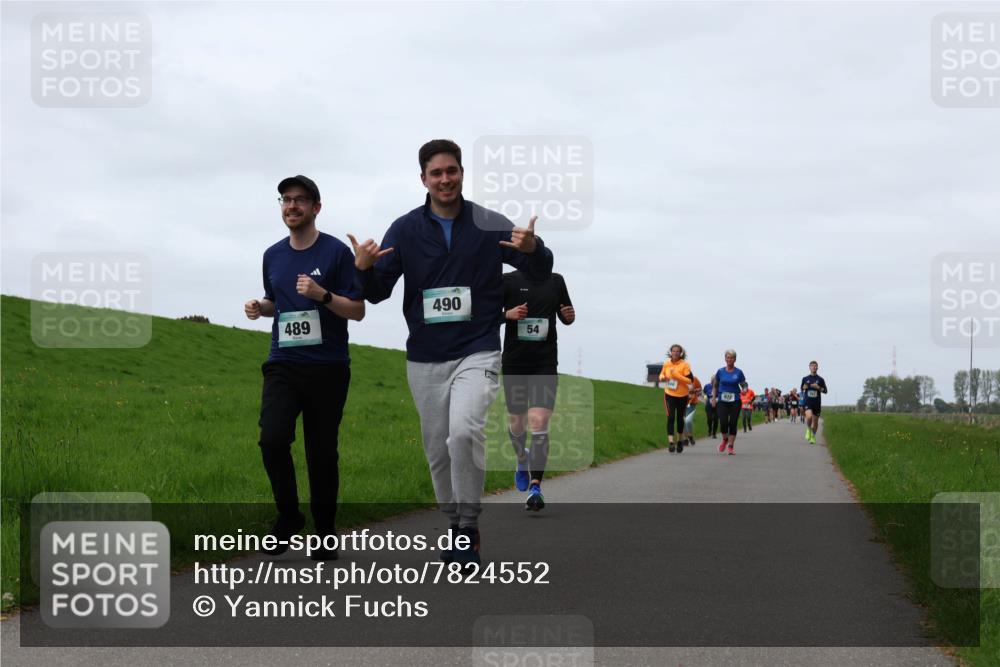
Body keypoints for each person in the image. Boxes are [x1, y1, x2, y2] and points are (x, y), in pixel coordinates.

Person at [350, 139, 553, 566]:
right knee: (438, 451)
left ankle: (468, 529)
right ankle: (455, 525)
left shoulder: (487, 223)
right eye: (436, 173)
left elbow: (540, 271)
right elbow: (377, 292)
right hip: (424, 357)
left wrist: (535, 249)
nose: (445, 179)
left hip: (476, 349)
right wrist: (363, 269)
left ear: (462, 173)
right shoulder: (405, 229)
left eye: (452, 171)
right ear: (423, 179)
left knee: (462, 433)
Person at [244, 175, 365, 561]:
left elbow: (357, 310)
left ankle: (325, 531)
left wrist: (322, 295)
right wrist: (259, 308)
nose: (291, 206)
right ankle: (289, 516)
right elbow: (275, 301)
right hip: (283, 362)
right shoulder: (272, 255)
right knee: (272, 440)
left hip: (328, 367)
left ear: (316, 207)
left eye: (299, 200)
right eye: (285, 200)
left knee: (321, 452)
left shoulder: (335, 253)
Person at [501, 270, 575, 511]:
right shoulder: (508, 280)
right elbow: (484, 313)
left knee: (539, 420)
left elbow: (567, 315)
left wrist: (568, 316)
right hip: (515, 361)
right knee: (517, 423)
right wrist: (507, 315)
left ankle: (536, 487)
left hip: (544, 362)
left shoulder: (556, 281)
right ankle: (522, 459)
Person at [658, 344, 695, 453]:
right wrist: (663, 377)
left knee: (680, 419)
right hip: (669, 394)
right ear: (671, 352)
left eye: (678, 351)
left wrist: (676, 375)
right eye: (673, 351)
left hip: (682, 395)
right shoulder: (666, 363)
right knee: (670, 417)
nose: (675, 353)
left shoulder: (685, 365)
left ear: (681, 353)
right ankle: (670, 442)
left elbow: (689, 381)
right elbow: (661, 374)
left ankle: (679, 441)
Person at [711, 349, 747, 455]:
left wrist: (744, 389)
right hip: (722, 400)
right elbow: (715, 386)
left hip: (735, 400)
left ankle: (730, 446)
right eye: (728, 357)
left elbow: (744, 384)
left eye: (731, 357)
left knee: (733, 423)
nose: (729, 359)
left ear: (735, 359)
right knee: (723, 422)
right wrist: (713, 398)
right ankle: (725, 439)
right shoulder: (720, 371)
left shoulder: (738, 372)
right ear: (725, 359)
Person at [801, 361, 828, 444]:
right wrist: (804, 387)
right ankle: (808, 430)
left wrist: (818, 387)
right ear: (809, 367)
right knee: (809, 417)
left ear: (817, 368)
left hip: (816, 403)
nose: (814, 367)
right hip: (808, 402)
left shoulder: (820, 379)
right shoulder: (805, 378)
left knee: (815, 422)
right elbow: (802, 388)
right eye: (812, 366)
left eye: (815, 366)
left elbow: (825, 391)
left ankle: (813, 436)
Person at [683, 375, 703, 447]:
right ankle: (685, 439)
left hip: (692, 403)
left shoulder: (694, 379)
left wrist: (694, 391)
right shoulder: (679, 378)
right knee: (682, 421)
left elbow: (700, 389)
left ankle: (690, 436)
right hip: (681, 403)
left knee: (688, 421)